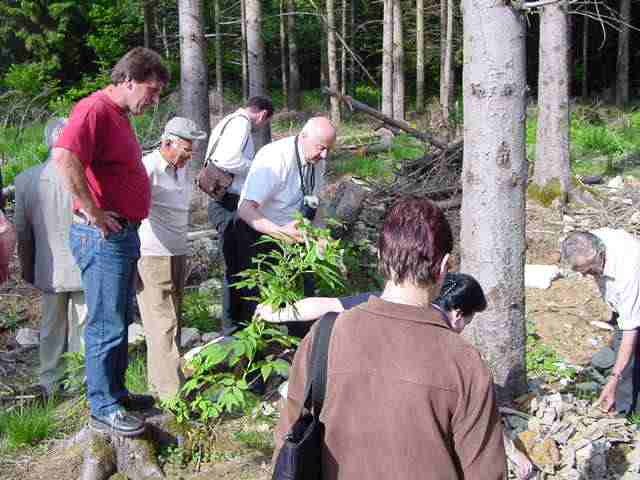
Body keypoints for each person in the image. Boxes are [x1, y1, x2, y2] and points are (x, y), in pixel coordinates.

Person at [273, 197, 507, 479]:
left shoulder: (325, 334)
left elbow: (288, 441)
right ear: (444, 266)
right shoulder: (465, 362)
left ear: (381, 257)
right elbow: (487, 472)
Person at [262, 273, 535, 479]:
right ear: (457, 313)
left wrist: (273, 313)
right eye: (466, 322)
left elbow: (325, 305)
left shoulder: (368, 305)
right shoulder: (457, 357)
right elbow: (475, 435)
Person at [53, 47, 169, 437]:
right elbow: (65, 155)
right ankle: (102, 404)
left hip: (122, 234)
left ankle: (116, 392)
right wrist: (93, 211)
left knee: (119, 317)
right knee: (106, 322)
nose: (153, 101)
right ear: (128, 80)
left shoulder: (118, 115)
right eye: (150, 92)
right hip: (102, 235)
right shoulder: (94, 110)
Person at [227, 116, 337, 336]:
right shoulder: (275, 157)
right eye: (321, 148)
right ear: (304, 136)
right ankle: (255, 351)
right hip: (256, 230)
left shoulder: (317, 160)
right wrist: (279, 233)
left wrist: (322, 235)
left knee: (302, 293)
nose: (324, 155)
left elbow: (315, 202)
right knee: (258, 298)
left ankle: (297, 349)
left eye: (328, 150)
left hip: (290, 235)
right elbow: (246, 209)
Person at [14, 117, 87, 398]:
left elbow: (22, 231)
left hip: (48, 265)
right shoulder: (86, 173)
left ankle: (49, 379)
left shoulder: (25, 179)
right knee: (82, 325)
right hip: (84, 262)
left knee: (50, 328)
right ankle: (80, 380)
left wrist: (27, 266)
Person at [137, 117, 206, 401]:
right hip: (153, 256)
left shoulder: (180, 168)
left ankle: (168, 383)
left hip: (176, 254)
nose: (190, 156)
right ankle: (171, 398)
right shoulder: (148, 167)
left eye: (192, 150)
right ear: (167, 143)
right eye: (186, 150)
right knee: (161, 324)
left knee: (174, 320)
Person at [205, 96, 273, 332]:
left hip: (223, 201)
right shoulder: (241, 123)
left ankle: (238, 324)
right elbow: (227, 158)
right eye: (263, 123)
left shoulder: (227, 121)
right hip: (229, 204)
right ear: (262, 115)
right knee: (238, 268)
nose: (260, 127)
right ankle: (235, 327)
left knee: (237, 265)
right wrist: (256, 166)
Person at [561, 229, 640, 414]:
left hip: (635, 298)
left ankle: (624, 412)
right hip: (622, 303)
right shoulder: (589, 240)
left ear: (601, 254)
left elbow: (630, 330)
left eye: (590, 270)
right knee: (622, 348)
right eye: (582, 271)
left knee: (629, 358)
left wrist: (614, 379)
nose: (586, 275)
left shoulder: (629, 270)